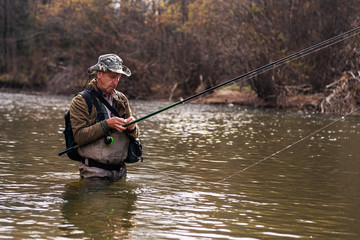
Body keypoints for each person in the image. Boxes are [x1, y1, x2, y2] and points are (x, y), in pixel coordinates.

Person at [69, 54, 139, 181]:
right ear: (99, 74)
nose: (115, 82)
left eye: (118, 78)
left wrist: (132, 127)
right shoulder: (81, 100)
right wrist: (106, 124)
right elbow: (79, 136)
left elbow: (135, 135)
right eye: (112, 77)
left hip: (120, 171)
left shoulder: (122, 99)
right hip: (94, 172)